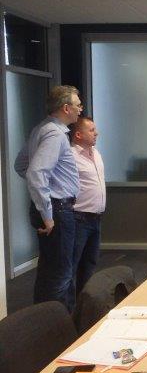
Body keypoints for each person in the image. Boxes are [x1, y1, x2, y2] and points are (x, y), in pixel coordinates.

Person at [14, 85, 82, 311]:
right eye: (78, 104)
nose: (80, 109)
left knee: (49, 270)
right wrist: (47, 211)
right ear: (66, 108)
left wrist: (47, 185)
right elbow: (35, 172)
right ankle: (58, 325)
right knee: (61, 273)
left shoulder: (41, 128)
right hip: (57, 210)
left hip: (52, 207)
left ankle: (42, 321)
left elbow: (21, 165)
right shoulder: (55, 134)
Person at [69, 116, 106, 296]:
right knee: (72, 264)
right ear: (78, 134)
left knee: (89, 264)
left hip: (96, 217)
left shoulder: (96, 153)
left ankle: (84, 304)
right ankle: (66, 308)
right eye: (91, 130)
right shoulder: (70, 156)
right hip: (79, 217)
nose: (96, 133)